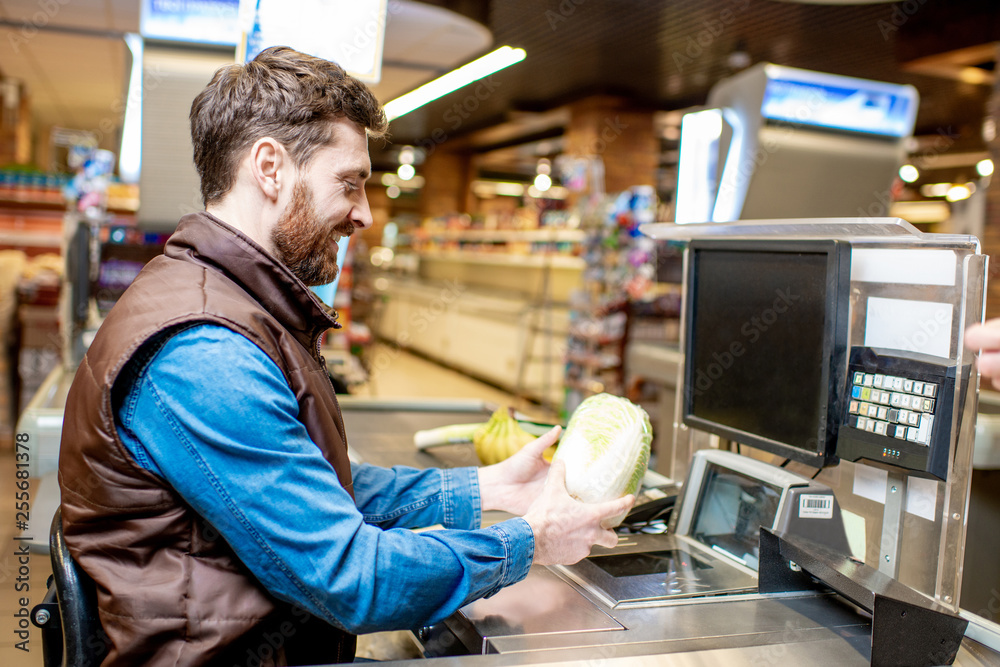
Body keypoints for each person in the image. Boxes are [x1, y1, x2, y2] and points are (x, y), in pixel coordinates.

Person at [57, 46, 633, 666]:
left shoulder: (230, 304)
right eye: (350, 181)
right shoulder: (205, 349)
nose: (364, 212)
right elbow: (350, 576)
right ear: (270, 168)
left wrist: (488, 486)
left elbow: (319, 492)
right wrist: (530, 541)